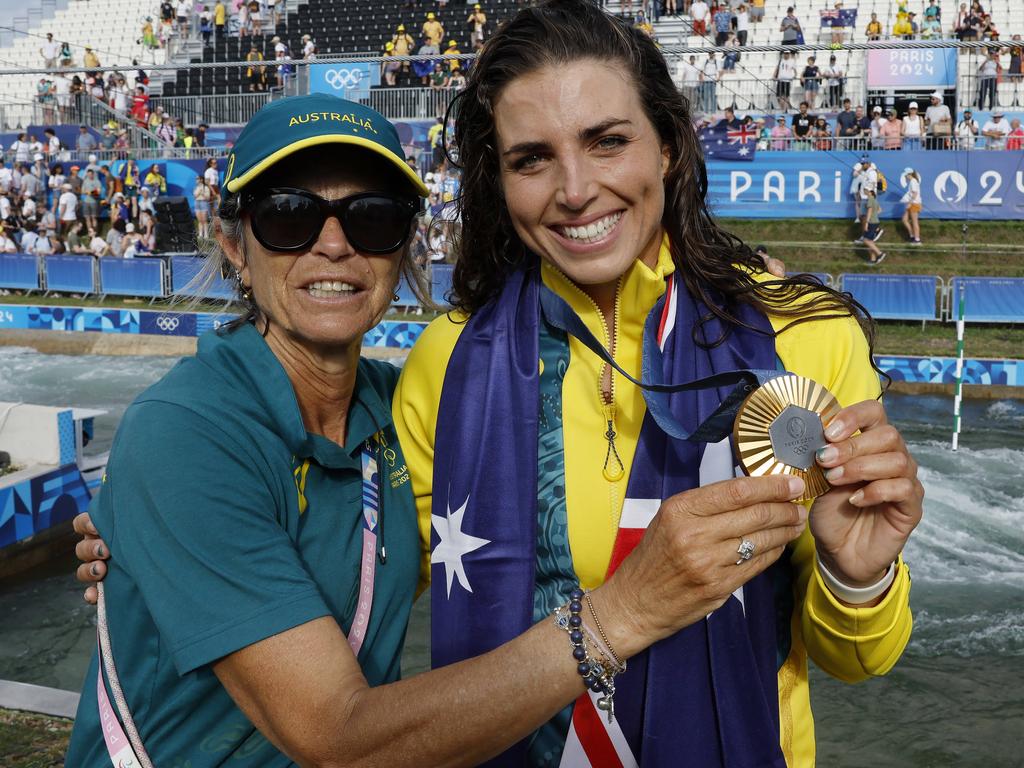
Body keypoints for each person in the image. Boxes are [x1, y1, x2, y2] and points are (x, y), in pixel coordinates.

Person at [75, 6, 923, 768]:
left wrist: (858, 580)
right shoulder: (443, 364)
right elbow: (351, 586)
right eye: (532, 158)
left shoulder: (803, 337)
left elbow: (859, 657)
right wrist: (154, 528)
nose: (576, 188)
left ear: (668, 143)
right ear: (498, 183)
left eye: (608, 140)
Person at [858, 188, 887, 264]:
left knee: (866, 240)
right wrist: (875, 215)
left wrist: (867, 222)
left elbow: (869, 210)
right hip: (875, 221)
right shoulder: (874, 200)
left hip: (871, 222)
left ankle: (880, 254)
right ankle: (873, 259)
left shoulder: (870, 199)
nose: (864, 191)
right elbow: (880, 210)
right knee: (870, 241)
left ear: (870, 192)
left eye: (866, 190)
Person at [900, 167, 922, 245]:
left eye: (905, 175)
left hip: (914, 204)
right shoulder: (912, 181)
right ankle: (912, 236)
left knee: (914, 222)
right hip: (911, 203)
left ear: (909, 174)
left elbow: (915, 194)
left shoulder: (913, 181)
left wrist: (909, 203)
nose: (905, 176)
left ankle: (917, 240)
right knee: (904, 219)